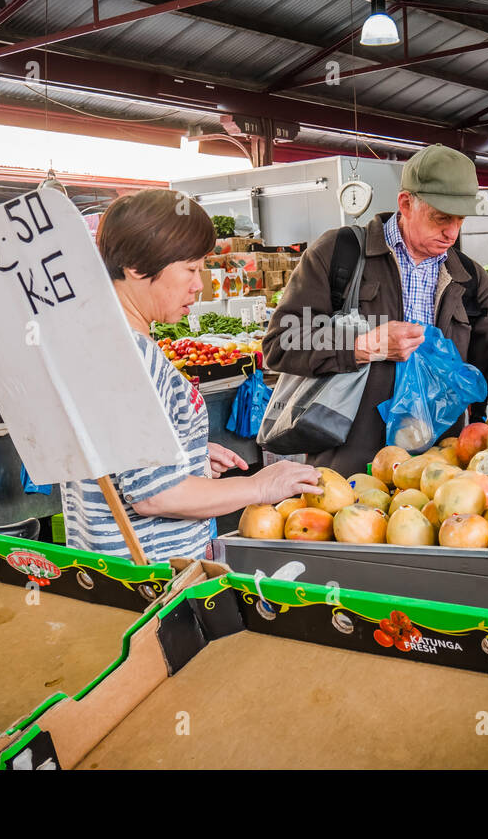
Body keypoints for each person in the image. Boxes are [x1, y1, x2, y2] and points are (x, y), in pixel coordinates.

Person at [263, 144, 488, 476]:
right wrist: (364, 346)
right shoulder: (339, 255)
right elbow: (282, 342)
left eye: (460, 220)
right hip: (350, 468)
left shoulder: (468, 280)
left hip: (441, 470)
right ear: (406, 203)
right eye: (441, 217)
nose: (452, 232)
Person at [61, 189, 320, 561]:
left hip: (111, 567)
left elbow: (127, 466)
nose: (199, 285)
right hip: (153, 581)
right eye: (191, 269)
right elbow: (155, 496)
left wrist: (186, 458)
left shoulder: (100, 342)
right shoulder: (130, 359)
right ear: (136, 267)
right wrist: (259, 487)